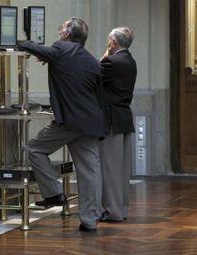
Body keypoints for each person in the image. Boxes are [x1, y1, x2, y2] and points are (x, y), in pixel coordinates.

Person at [19, 17, 105, 232]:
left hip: (68, 121)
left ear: (67, 34)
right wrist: (51, 59)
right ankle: (89, 220)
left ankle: (53, 192)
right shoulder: (90, 59)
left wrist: (17, 42)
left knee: (34, 149)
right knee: (89, 172)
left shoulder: (60, 49)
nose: (59, 31)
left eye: (62, 27)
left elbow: (39, 49)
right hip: (91, 122)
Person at [99, 27, 137, 222]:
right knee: (121, 170)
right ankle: (121, 208)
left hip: (111, 119)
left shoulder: (110, 61)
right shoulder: (130, 60)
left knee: (110, 169)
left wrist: (105, 54)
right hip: (124, 117)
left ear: (113, 43)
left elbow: (93, 78)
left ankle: (113, 211)